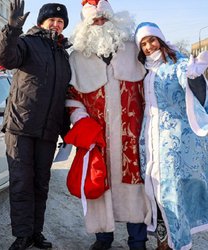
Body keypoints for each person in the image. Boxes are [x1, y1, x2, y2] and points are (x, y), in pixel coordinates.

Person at [134, 22, 208, 250]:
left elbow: (194, 90)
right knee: (155, 192)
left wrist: (195, 77)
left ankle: (177, 241)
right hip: (149, 140)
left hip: (174, 141)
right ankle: (163, 241)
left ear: (161, 40)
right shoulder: (145, 69)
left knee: (173, 192)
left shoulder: (177, 63)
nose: (149, 47)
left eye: (152, 40)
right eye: (144, 43)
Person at [65, 1, 151, 249]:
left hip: (132, 138)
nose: (100, 23)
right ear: (86, 25)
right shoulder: (77, 57)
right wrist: (81, 120)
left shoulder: (134, 50)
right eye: (95, 20)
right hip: (98, 138)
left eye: (104, 19)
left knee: (135, 187)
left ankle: (138, 239)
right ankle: (103, 238)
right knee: (99, 185)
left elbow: (153, 82)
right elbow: (71, 96)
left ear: (114, 21)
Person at [0, 1, 72, 249]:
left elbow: (65, 94)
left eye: (61, 22)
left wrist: (67, 130)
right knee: (22, 183)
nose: (56, 25)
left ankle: (36, 232)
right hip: (21, 127)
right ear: (41, 22)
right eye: (52, 21)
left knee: (40, 184)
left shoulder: (63, 54)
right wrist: (12, 28)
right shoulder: (27, 42)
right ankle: (22, 235)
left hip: (48, 130)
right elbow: (2, 56)